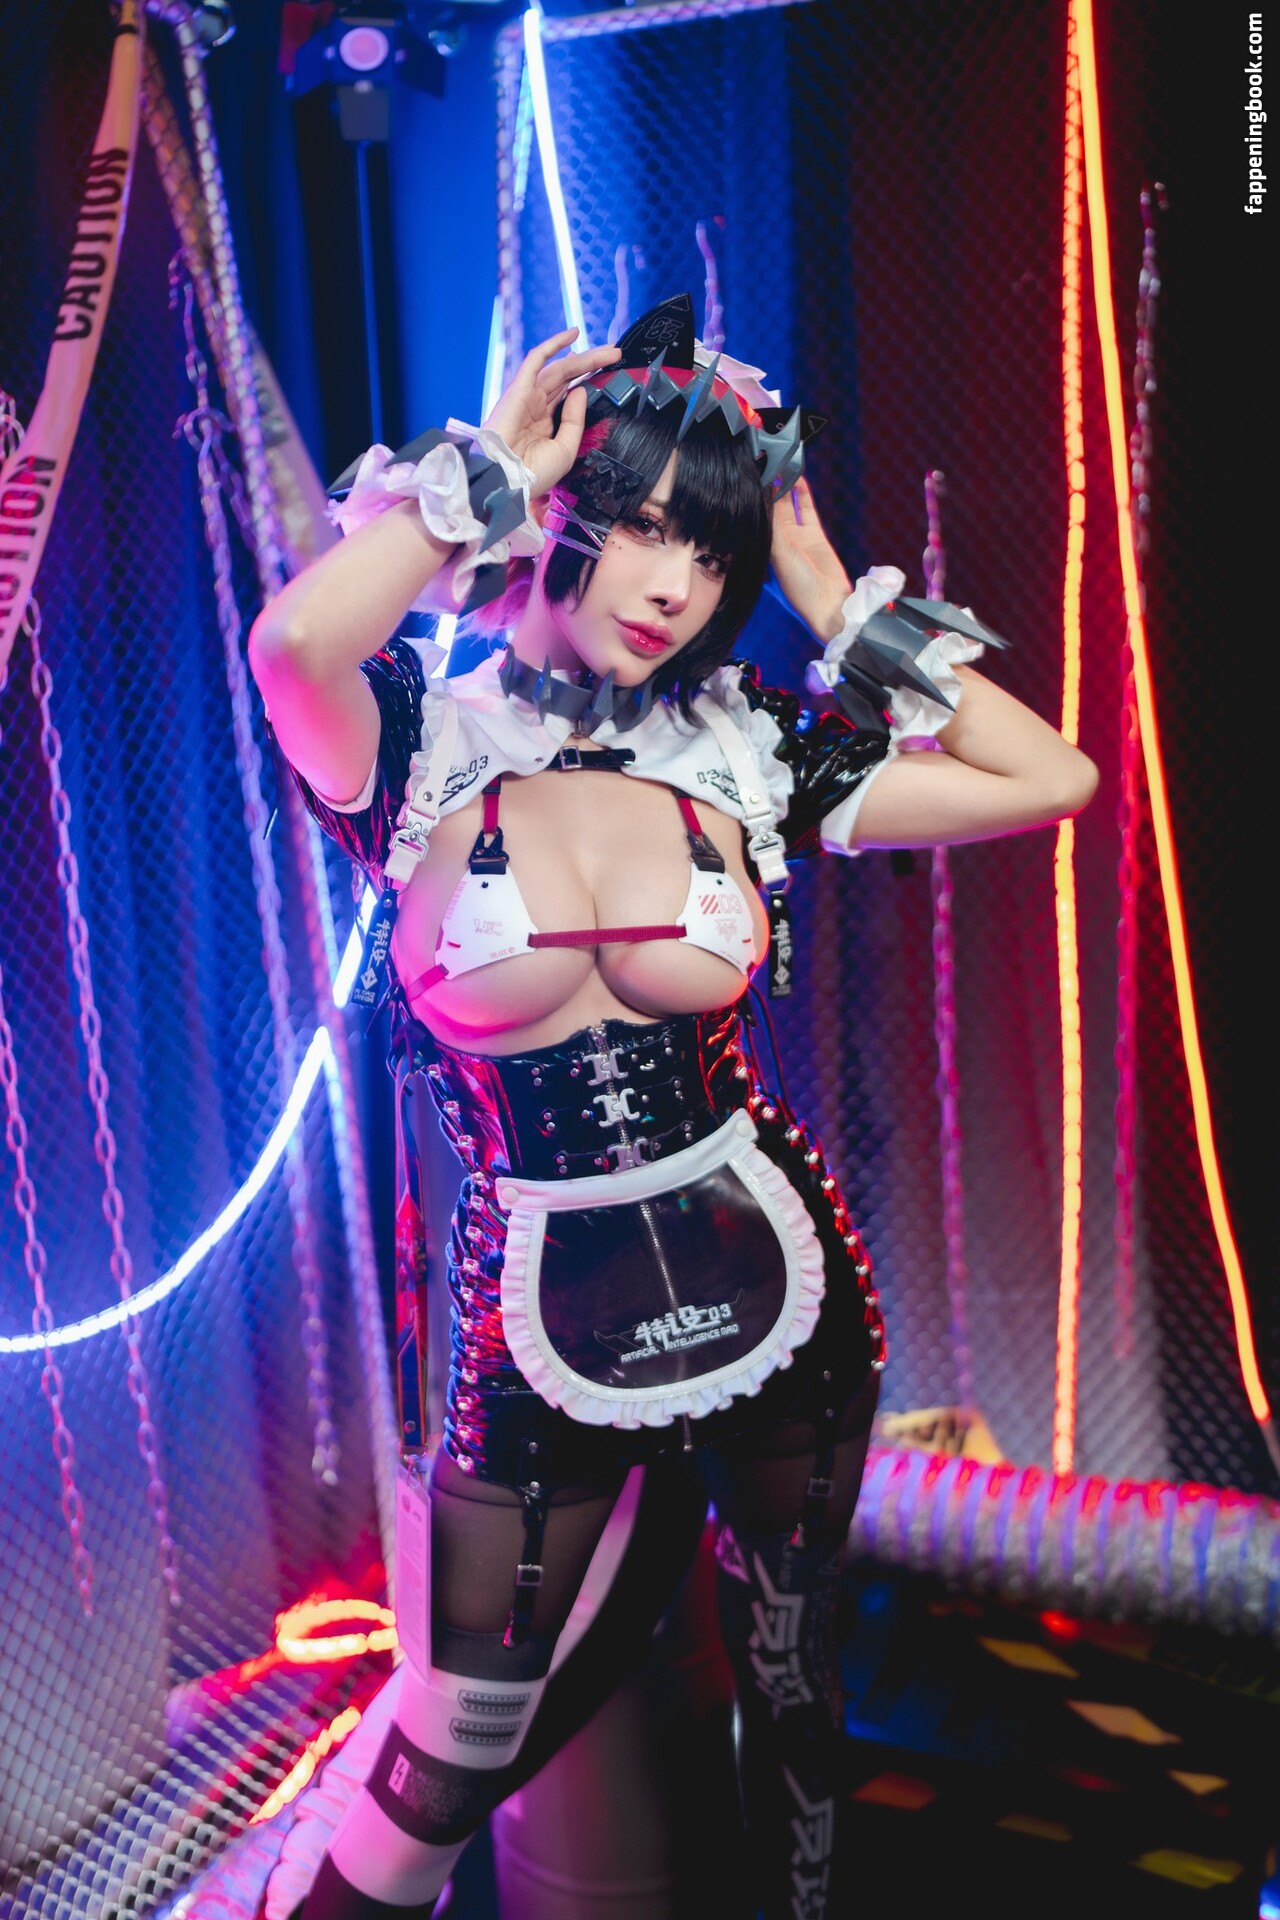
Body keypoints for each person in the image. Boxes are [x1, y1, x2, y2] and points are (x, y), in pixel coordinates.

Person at [247, 292, 1097, 1920]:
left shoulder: (741, 747)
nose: (673, 587)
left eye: (709, 552)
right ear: (553, 515)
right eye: (638, 527)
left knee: (791, 1673)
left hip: (779, 1278)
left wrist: (830, 594)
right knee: (460, 1732)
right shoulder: (418, 739)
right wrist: (485, 481)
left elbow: (1049, 779)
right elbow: (290, 647)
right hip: (530, 1309)